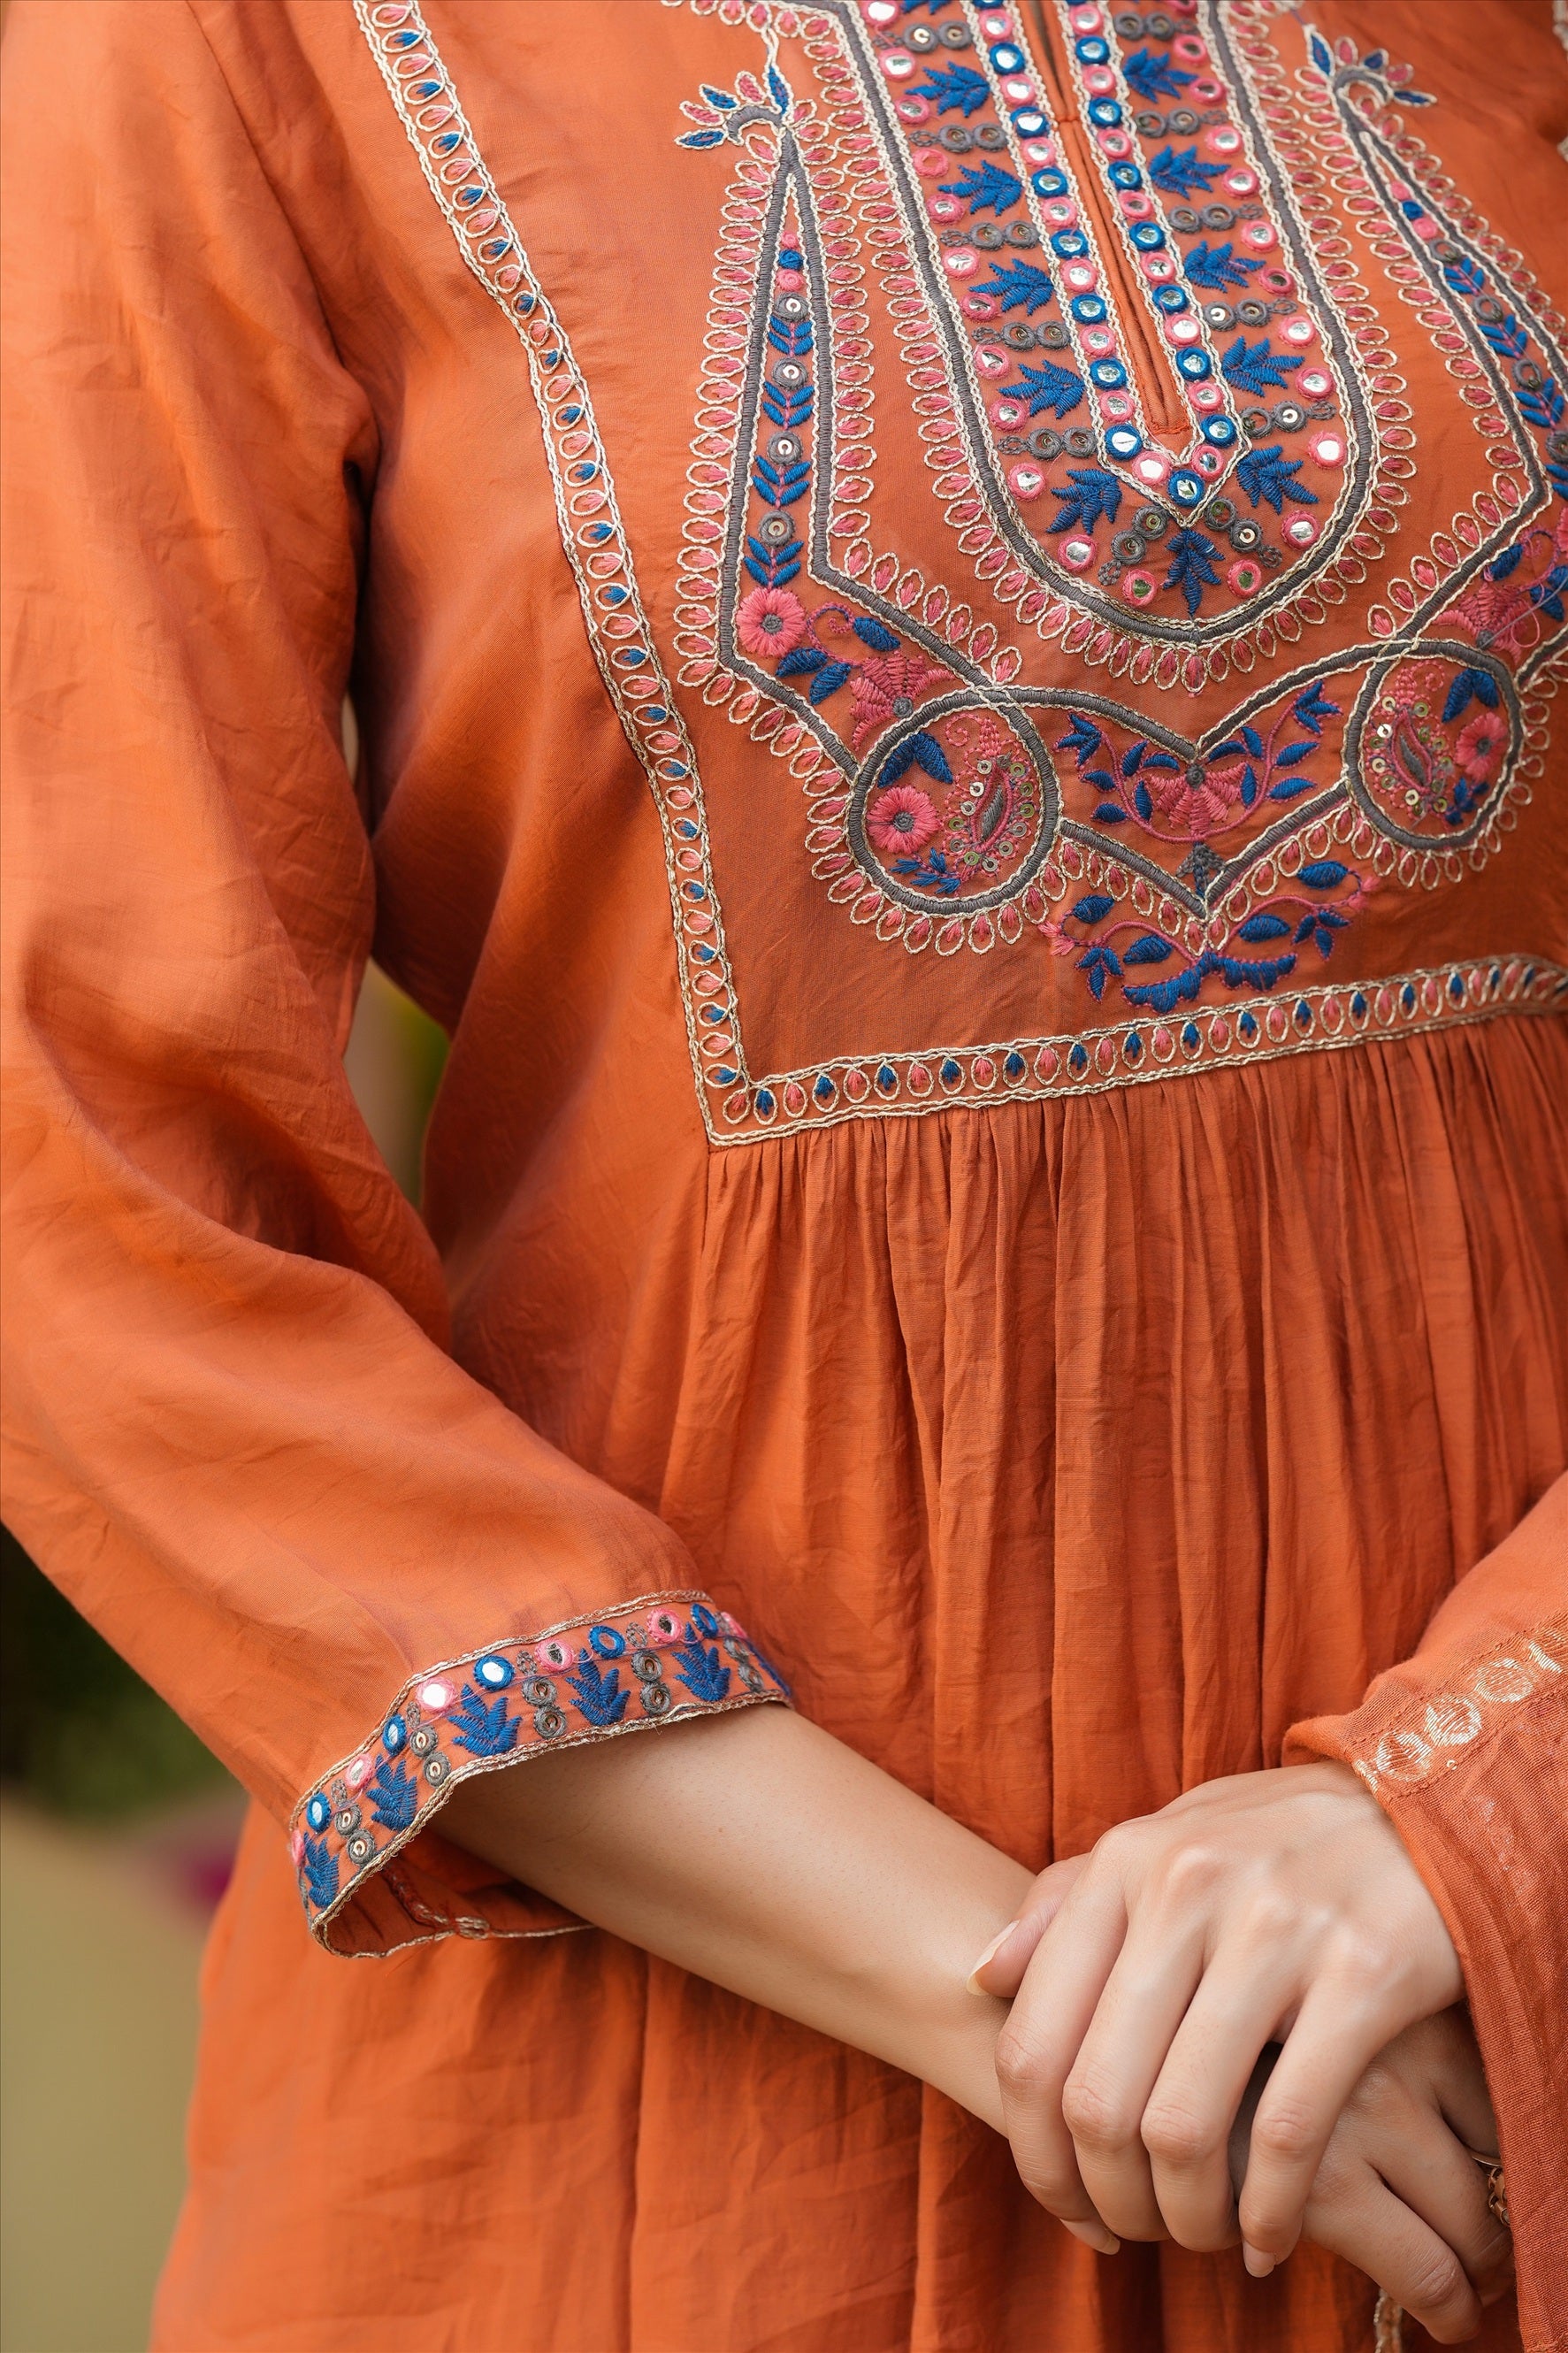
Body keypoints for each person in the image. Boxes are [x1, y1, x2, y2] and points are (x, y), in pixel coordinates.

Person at [2, 1, 1564, 2348]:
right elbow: (89, 1190)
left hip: (1486, 1999)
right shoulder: (221, 42)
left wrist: (1479, 1796)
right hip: (698, 2097)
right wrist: (1057, 2009)